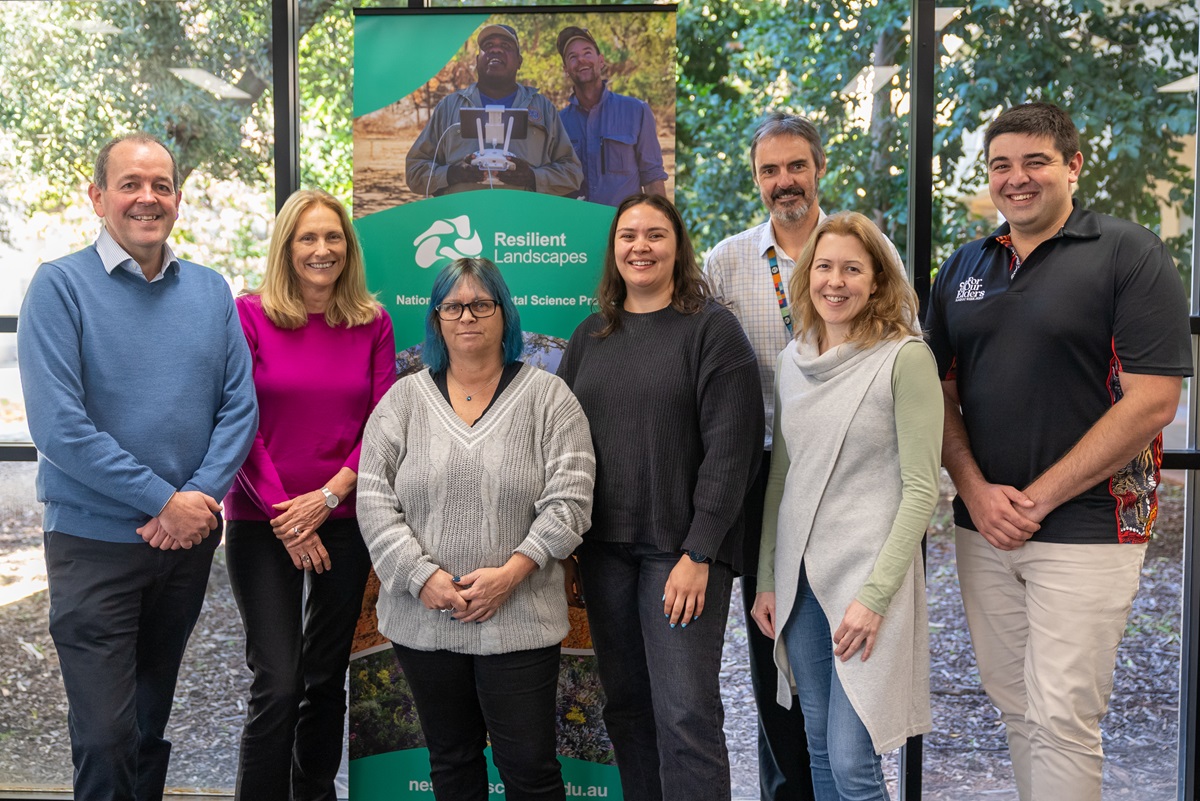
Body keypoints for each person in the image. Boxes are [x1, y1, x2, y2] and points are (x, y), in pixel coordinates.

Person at [925, 102, 1192, 801]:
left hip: (1091, 528)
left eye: (1035, 161)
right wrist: (976, 492)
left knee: (1064, 715)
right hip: (987, 526)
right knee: (1016, 707)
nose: (1016, 178)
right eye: (1001, 165)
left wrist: (1038, 497)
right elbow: (937, 395)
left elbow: (1153, 400)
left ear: (1073, 165)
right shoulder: (964, 266)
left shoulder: (1128, 254)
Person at [17, 132, 258, 801]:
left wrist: (197, 499)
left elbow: (239, 407)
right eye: (130, 183)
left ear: (177, 198)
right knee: (103, 734)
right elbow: (60, 428)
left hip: (184, 546)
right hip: (93, 545)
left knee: (149, 722)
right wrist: (163, 500)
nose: (147, 198)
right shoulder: (59, 287)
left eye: (161, 185)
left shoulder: (210, 292)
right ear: (97, 197)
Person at [357, 257, 594, 801]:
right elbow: (373, 496)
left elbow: (572, 498)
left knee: (530, 771)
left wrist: (511, 574)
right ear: (437, 318)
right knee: (452, 762)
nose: (468, 317)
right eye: (454, 306)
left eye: (481, 304)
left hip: (520, 619)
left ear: (503, 314)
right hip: (424, 620)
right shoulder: (404, 402)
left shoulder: (548, 398)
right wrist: (422, 578)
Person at [557, 194, 763, 801]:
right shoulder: (591, 336)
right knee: (625, 707)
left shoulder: (712, 330)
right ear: (613, 249)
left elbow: (733, 454)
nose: (640, 247)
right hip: (604, 554)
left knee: (685, 714)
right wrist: (567, 549)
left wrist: (700, 554)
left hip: (682, 555)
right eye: (627, 236)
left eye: (654, 235)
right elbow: (563, 445)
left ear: (678, 247)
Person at [752, 212, 941, 800]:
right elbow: (781, 475)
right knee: (817, 746)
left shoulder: (904, 359)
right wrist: (767, 578)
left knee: (854, 763)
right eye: (825, 266)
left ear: (877, 280)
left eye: (853, 269)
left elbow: (922, 490)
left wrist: (875, 597)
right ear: (808, 274)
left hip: (867, 583)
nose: (837, 281)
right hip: (801, 584)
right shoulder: (793, 360)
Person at [222, 189, 396, 801]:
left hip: (345, 518)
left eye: (333, 238)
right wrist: (287, 519)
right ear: (286, 247)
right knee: (278, 678)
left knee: (325, 678)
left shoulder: (373, 323)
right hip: (260, 519)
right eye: (307, 238)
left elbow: (382, 424)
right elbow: (237, 424)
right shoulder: (246, 315)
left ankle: (313, 793)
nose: (322, 250)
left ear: (348, 248)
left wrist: (326, 498)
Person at [703, 111, 832, 801]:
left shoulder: (863, 250)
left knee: (840, 639)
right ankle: (788, 789)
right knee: (770, 638)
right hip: (760, 478)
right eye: (770, 170)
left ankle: (844, 780)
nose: (784, 181)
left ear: (819, 169)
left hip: (840, 476)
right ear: (756, 179)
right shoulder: (726, 263)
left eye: (796, 166)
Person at [405, 24, 583, 198]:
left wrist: (532, 177)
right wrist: (451, 174)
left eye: (505, 46)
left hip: (522, 223)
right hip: (466, 222)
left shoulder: (543, 108)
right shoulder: (450, 106)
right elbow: (415, 171)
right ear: (476, 61)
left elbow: (572, 174)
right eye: (488, 46)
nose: (496, 50)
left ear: (519, 62)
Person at [555, 25, 668, 206]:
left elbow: (652, 177)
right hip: (576, 228)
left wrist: (663, 227)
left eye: (587, 53)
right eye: (572, 57)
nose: (581, 60)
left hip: (625, 229)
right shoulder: (558, 123)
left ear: (601, 61)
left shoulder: (636, 111)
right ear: (566, 69)